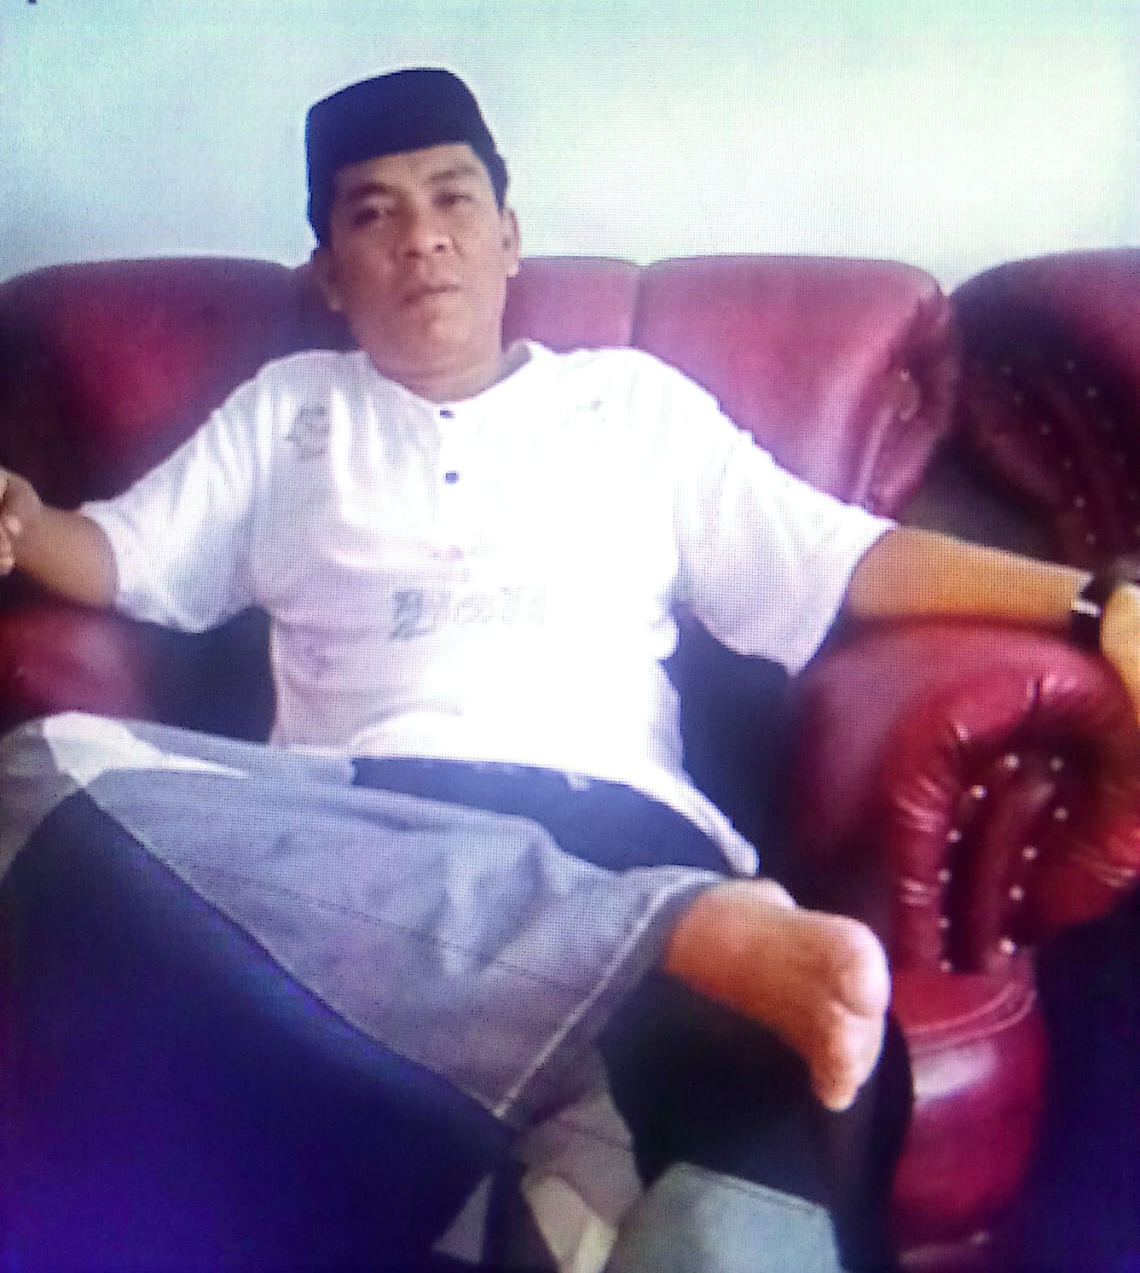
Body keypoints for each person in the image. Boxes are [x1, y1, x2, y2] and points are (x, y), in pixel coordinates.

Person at [1, 68, 1138, 1273]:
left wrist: (1092, 601)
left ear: (508, 235)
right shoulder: (286, 413)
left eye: (453, 198)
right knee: (41, 768)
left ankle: (613, 1058)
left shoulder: (629, 405)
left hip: (616, 821)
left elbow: (838, 555)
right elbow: (122, 556)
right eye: (374, 213)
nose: (423, 238)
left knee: (742, 1141)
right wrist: (22, 519)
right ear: (331, 273)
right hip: (364, 841)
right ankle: (659, 960)